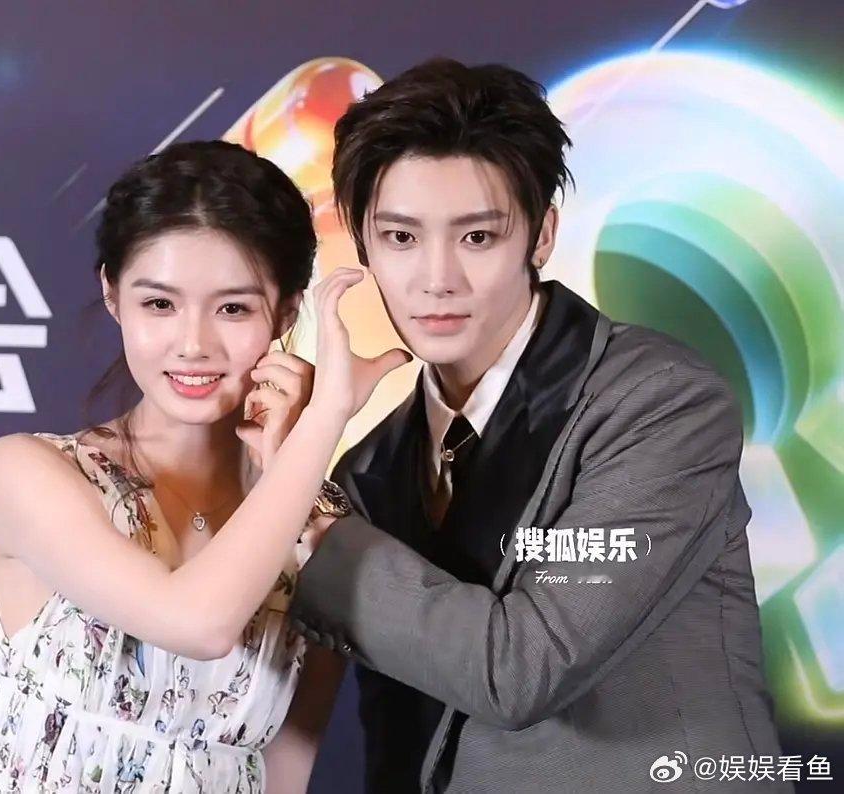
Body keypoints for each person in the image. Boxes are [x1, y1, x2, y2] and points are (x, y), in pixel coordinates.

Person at [287, 59, 787, 792]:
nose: (436, 279)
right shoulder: (368, 467)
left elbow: (522, 670)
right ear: (362, 245)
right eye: (400, 238)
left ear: (542, 235)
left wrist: (311, 519)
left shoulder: (661, 404)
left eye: (477, 238)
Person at [0, 140, 409, 792]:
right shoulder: (27, 473)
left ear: (286, 312)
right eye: (159, 304)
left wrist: (300, 462)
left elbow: (287, 769)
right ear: (112, 295)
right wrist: (325, 417)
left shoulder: (317, 524)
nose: (194, 344)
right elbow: (198, 622)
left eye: (233, 308)